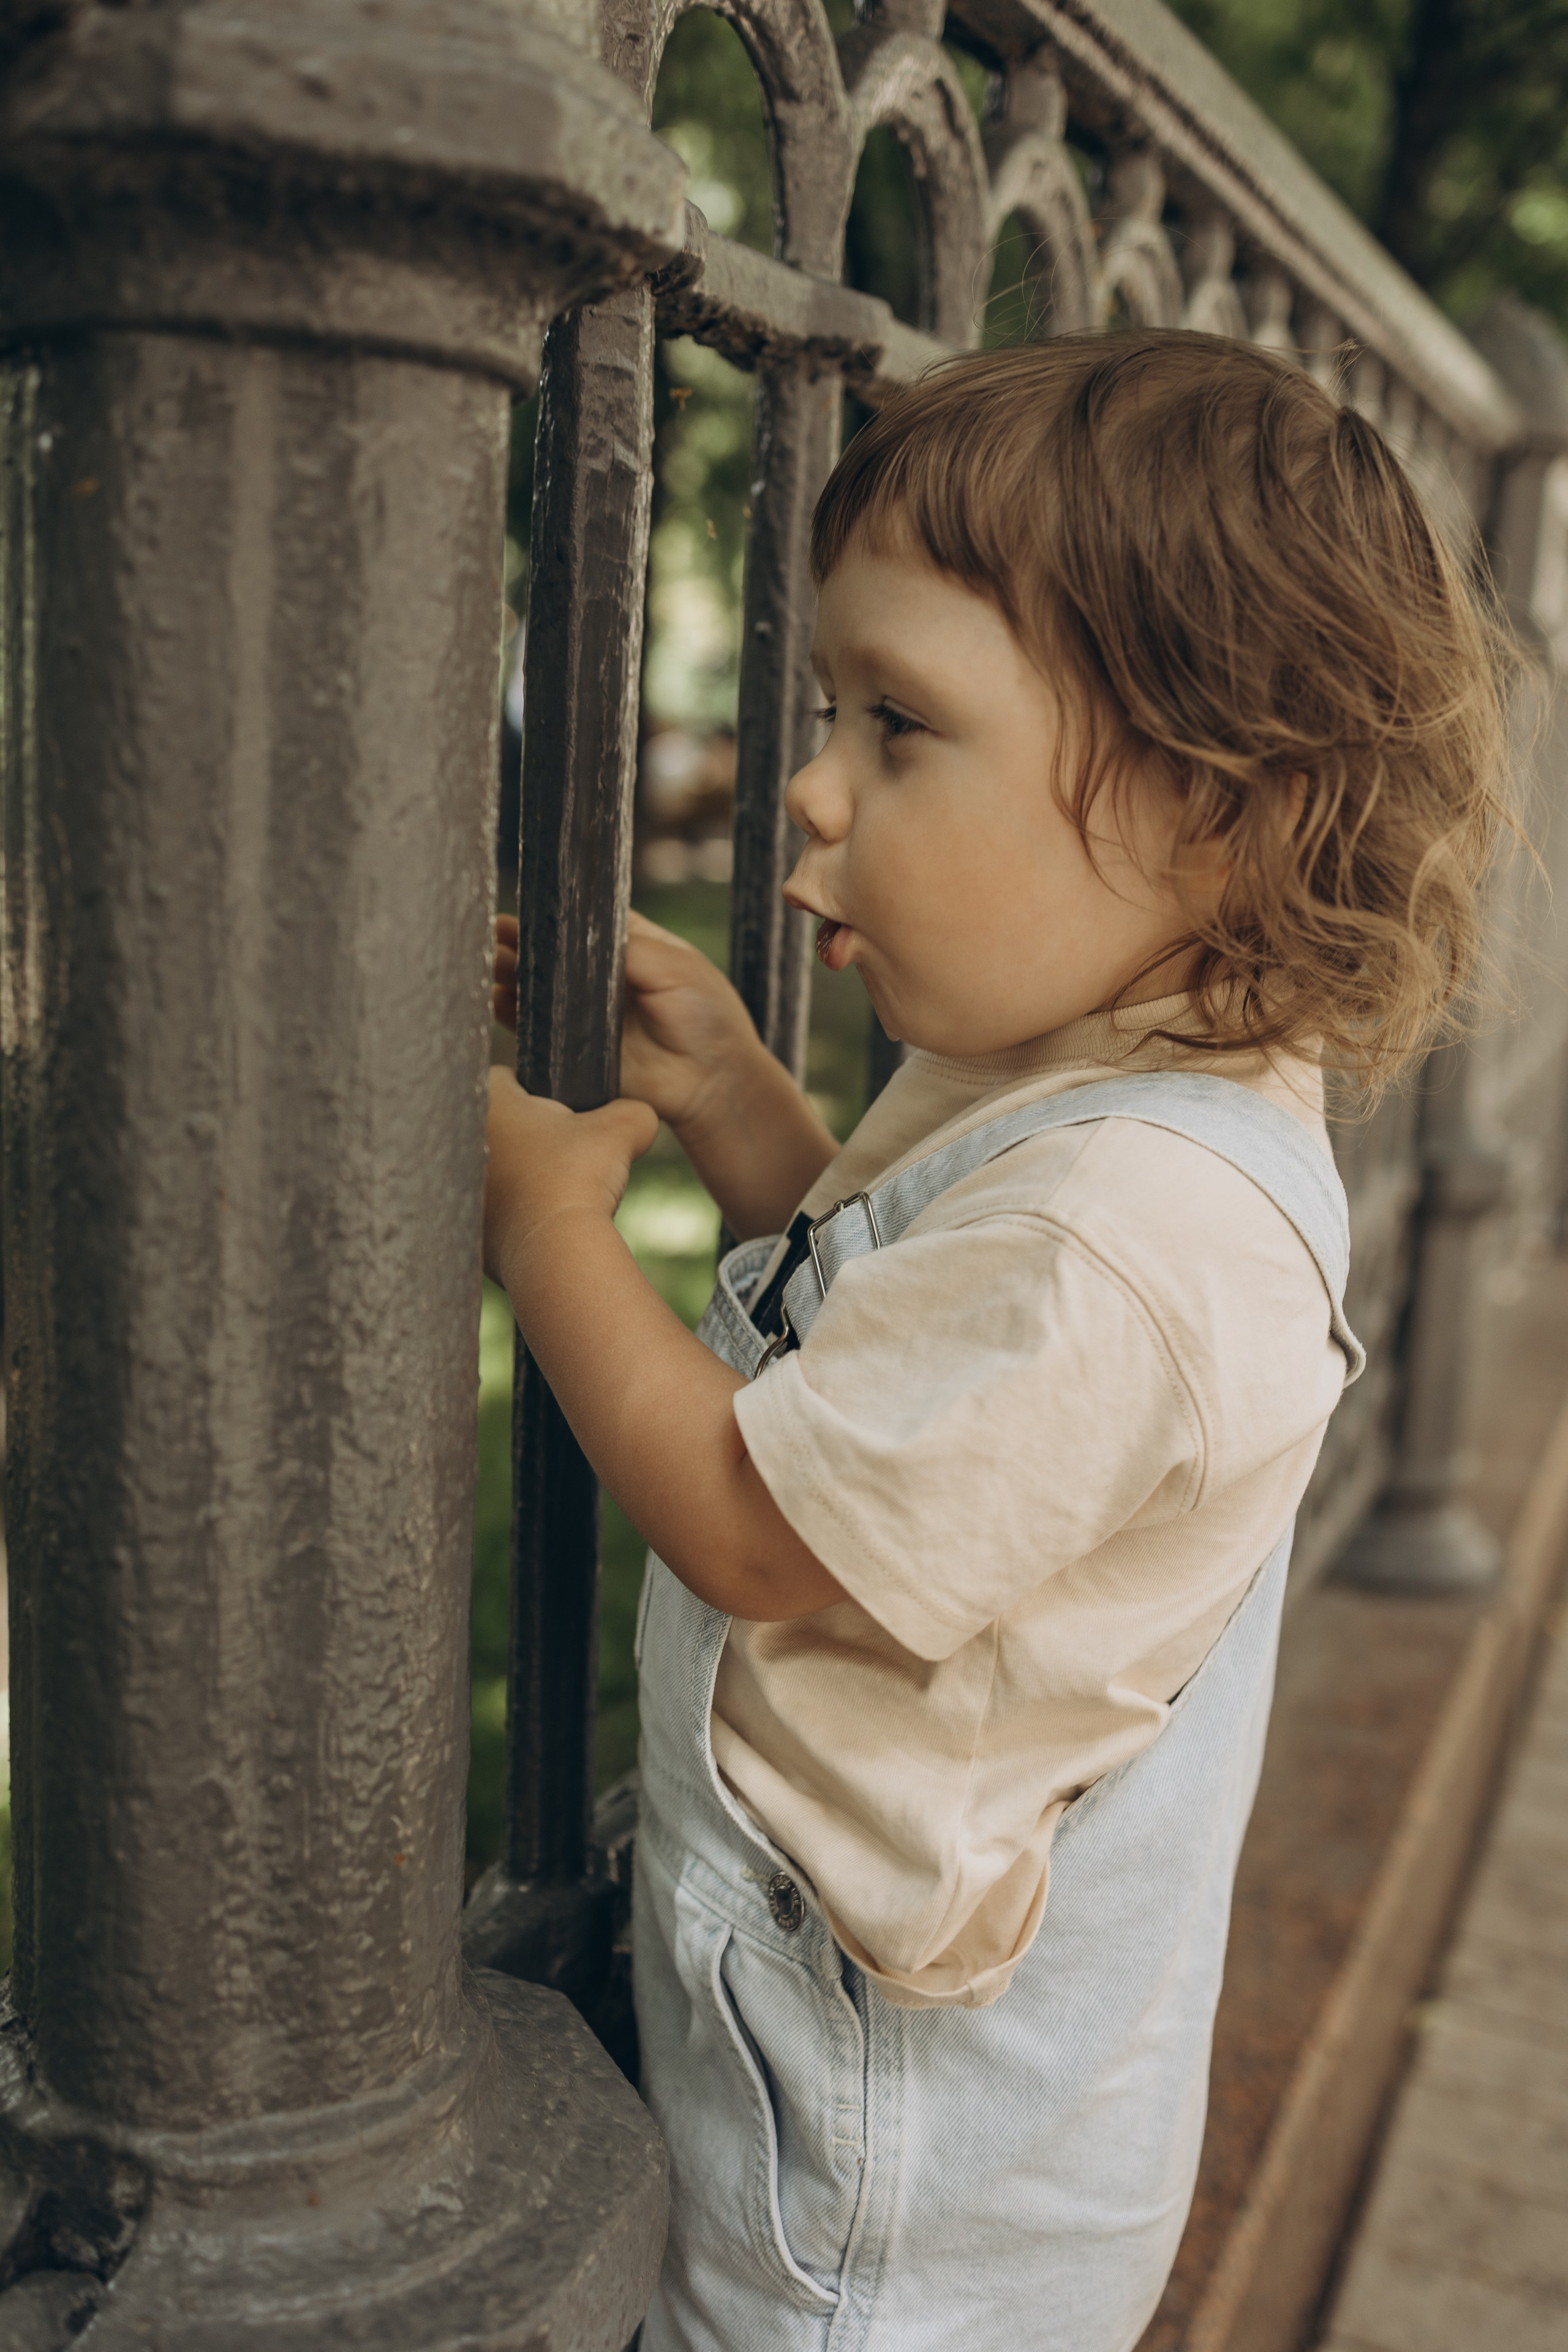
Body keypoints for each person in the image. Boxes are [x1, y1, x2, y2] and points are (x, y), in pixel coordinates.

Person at [484, 331, 1512, 2352]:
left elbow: (769, 1529)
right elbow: (920, 1377)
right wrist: (742, 1110)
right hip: (893, 2121)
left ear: (1217, 809)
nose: (808, 779)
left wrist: (551, 1231)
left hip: (880, 2214)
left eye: (901, 724)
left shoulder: (1129, 1232)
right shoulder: (1127, 1097)